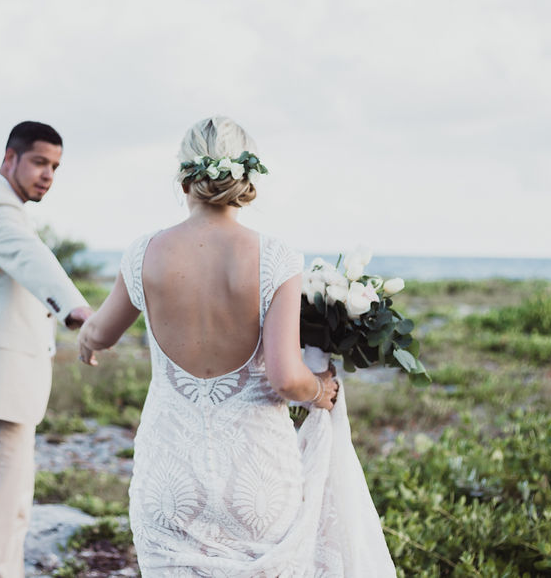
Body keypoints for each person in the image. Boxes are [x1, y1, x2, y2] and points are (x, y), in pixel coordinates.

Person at [77, 117, 396, 576]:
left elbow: (102, 332)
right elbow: (288, 378)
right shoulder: (275, 255)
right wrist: (320, 389)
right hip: (257, 482)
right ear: (246, 175)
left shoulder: (143, 252)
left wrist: (87, 339)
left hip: (170, 479)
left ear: (184, 175)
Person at [0, 121, 93, 578]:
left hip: (5, 388)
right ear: (10, 158)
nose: (48, 175)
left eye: (55, 167)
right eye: (40, 163)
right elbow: (33, 260)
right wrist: (78, 311)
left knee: (11, 513)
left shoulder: (0, 206)